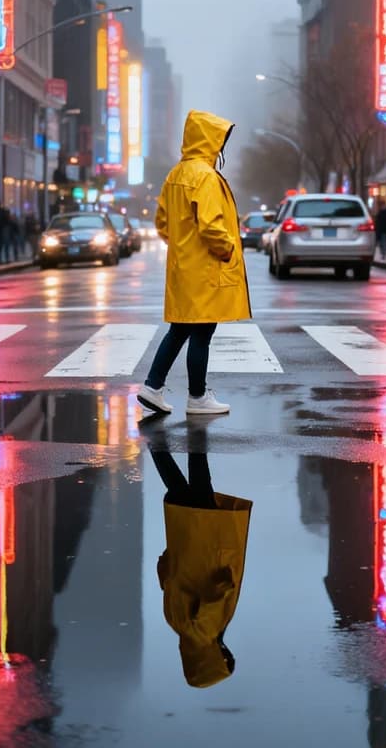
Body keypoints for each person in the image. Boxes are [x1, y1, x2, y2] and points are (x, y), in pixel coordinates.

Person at [136, 109, 250, 416]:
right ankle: (197, 397)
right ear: (209, 139)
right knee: (201, 331)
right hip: (206, 268)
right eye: (220, 139)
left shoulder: (176, 173)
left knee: (180, 329)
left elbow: (162, 223)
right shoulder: (205, 176)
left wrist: (183, 247)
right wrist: (226, 249)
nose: (222, 146)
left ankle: (153, 386)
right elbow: (211, 225)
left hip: (183, 268)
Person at [143, 416, 251, 688]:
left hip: (208, 543)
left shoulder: (205, 631)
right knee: (178, 486)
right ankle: (155, 439)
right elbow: (165, 577)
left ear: (210, 660)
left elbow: (219, 593)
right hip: (185, 540)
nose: (225, 653)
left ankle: (196, 430)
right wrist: (172, 554)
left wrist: (228, 583)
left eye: (224, 658)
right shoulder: (176, 624)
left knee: (200, 480)